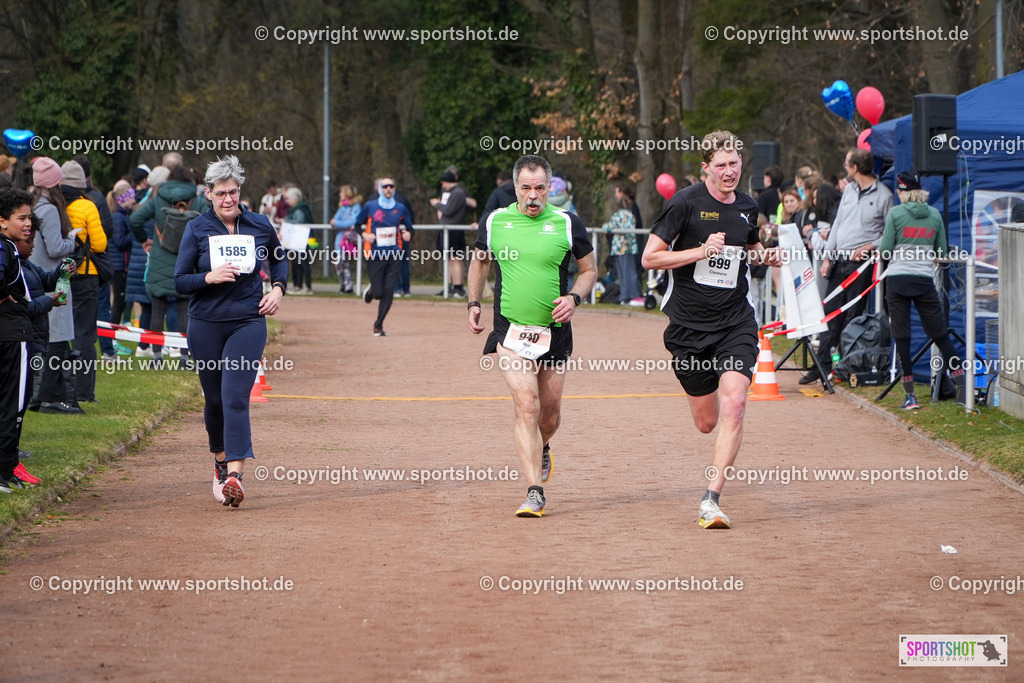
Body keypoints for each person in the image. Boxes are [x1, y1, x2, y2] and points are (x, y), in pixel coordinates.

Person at [641, 130, 780, 529]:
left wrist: (768, 257)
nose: (728, 171)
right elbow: (651, 258)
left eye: (734, 163)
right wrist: (700, 252)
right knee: (707, 422)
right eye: (720, 165)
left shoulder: (748, 207)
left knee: (735, 401)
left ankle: (711, 499)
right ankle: (712, 415)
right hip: (687, 327)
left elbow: (751, 251)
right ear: (706, 168)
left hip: (735, 321)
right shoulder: (685, 203)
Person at [467, 154, 597, 518]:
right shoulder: (496, 221)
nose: (533, 195)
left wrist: (574, 297)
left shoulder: (567, 223)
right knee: (527, 405)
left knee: (549, 416)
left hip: (554, 333)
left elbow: (589, 270)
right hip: (510, 330)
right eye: (526, 187)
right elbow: (480, 261)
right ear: (515, 188)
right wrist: (473, 302)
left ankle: (543, 446)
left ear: (550, 188)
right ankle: (534, 491)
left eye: (541, 187)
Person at [174, 156, 287, 508]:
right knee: (215, 399)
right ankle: (220, 464)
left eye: (233, 192)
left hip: (247, 320)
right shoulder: (196, 229)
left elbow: (280, 259)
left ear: (240, 191)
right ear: (208, 193)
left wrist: (278, 289)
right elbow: (179, 281)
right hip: (206, 323)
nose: (228, 199)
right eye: (220, 193)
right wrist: (207, 277)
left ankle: (236, 476)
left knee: (236, 396)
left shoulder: (258, 225)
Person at [801, 148, 893, 385]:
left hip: (860, 266)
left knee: (852, 317)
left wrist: (872, 246)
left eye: (846, 164)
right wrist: (828, 257)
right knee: (829, 314)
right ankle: (821, 366)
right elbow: (838, 223)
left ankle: (843, 368)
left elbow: (892, 232)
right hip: (838, 261)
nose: (844, 167)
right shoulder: (850, 190)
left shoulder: (884, 195)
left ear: (854, 168)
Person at [880, 171, 965, 409]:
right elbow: (940, 253)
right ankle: (964, 389)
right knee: (940, 335)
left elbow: (886, 251)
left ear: (904, 192)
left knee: (902, 338)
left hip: (897, 281)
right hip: (924, 281)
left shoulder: (896, 213)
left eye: (898, 192)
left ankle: (910, 397)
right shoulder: (935, 215)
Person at [130, 165, 206, 366]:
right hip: (187, 262)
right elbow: (210, 224)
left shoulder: (157, 199)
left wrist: (144, 240)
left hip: (159, 259)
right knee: (184, 310)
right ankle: (183, 356)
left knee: (157, 310)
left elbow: (135, 219)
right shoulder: (197, 201)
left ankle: (156, 356)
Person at [18, 214, 71, 485]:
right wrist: (50, 302)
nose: (33, 242)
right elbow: (22, 307)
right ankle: (9, 456)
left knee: (24, 398)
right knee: (15, 401)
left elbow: (46, 281)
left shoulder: (27, 265)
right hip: (22, 340)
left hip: (34, 338)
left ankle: (11, 451)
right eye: (29, 238)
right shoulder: (15, 267)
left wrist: (61, 272)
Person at [29, 157, 82, 413]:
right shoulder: (49, 209)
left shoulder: (33, 203)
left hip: (39, 278)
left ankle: (41, 397)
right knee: (57, 341)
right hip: (52, 279)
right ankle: (51, 397)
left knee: (48, 341)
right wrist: (72, 241)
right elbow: (54, 248)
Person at [0, 188, 40, 491]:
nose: (28, 224)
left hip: (11, 332)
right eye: (21, 218)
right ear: (3, 221)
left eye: (30, 217)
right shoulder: (6, 249)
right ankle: (5, 470)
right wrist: (7, 298)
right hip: (14, 336)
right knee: (12, 405)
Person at [61, 160, 106, 403]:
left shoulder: (52, 205)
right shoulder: (87, 206)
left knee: (58, 332)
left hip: (58, 275)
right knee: (85, 333)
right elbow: (99, 245)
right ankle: (84, 391)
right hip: (85, 273)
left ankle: (59, 387)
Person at [357, 177, 414, 336]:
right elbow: (357, 224)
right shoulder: (370, 206)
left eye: (391, 186)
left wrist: (407, 233)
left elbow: (409, 227)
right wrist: (364, 235)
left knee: (389, 291)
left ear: (394, 188)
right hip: (374, 253)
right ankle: (371, 291)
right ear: (380, 189)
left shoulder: (401, 208)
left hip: (394, 253)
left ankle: (378, 325)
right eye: (385, 186)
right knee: (379, 293)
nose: (388, 189)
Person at [431, 169, 469, 298]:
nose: (443, 186)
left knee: (455, 258)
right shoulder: (451, 192)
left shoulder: (458, 192)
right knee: (449, 259)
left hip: (454, 230)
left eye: (444, 183)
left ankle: (459, 288)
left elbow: (448, 211)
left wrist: (437, 204)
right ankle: (449, 287)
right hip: (447, 229)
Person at [602, 192, 641, 305]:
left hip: (617, 248)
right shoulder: (629, 215)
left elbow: (607, 227)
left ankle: (625, 296)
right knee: (630, 273)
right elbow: (629, 228)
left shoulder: (617, 215)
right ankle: (632, 296)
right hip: (627, 248)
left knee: (622, 274)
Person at [330, 184, 361, 294]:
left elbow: (353, 222)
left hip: (349, 240)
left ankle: (348, 286)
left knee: (345, 263)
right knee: (338, 263)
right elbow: (334, 220)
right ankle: (343, 284)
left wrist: (338, 223)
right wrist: (337, 223)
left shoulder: (355, 207)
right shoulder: (342, 207)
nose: (340, 195)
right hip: (340, 240)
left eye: (342, 193)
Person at [282, 187, 314, 295]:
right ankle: (297, 285)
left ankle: (307, 286)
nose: (287, 201)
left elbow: (298, 221)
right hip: (295, 240)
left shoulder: (300, 209)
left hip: (305, 239)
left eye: (289, 198)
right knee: (295, 262)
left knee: (303, 263)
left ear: (295, 198)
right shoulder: (293, 209)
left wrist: (285, 221)